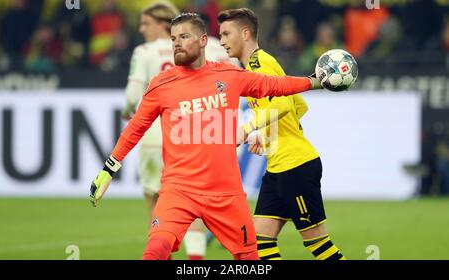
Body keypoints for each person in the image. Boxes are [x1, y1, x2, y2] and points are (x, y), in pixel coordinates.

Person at [90, 12, 320, 260]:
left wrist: (315, 82)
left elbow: (276, 86)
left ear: (202, 41)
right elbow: (135, 127)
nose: (177, 42)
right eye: (174, 38)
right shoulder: (161, 85)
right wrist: (108, 169)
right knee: (155, 250)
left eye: (184, 36)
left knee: (251, 259)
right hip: (179, 190)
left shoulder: (228, 75)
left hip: (226, 194)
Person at [218, 8, 346, 260]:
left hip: (295, 166)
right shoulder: (260, 64)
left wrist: (247, 128)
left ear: (245, 34)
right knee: (261, 242)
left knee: (318, 244)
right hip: (278, 169)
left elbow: (284, 105)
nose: (221, 40)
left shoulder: (259, 64)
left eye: (226, 34)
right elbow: (299, 105)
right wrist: (266, 135)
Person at [121, 1, 230, 260]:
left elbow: (132, 95)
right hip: (199, 137)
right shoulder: (214, 46)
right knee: (194, 204)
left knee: (157, 207)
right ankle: (196, 260)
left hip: (155, 137)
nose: (141, 29)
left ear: (163, 23)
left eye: (146, 23)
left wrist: (129, 110)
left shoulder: (144, 51)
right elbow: (232, 84)